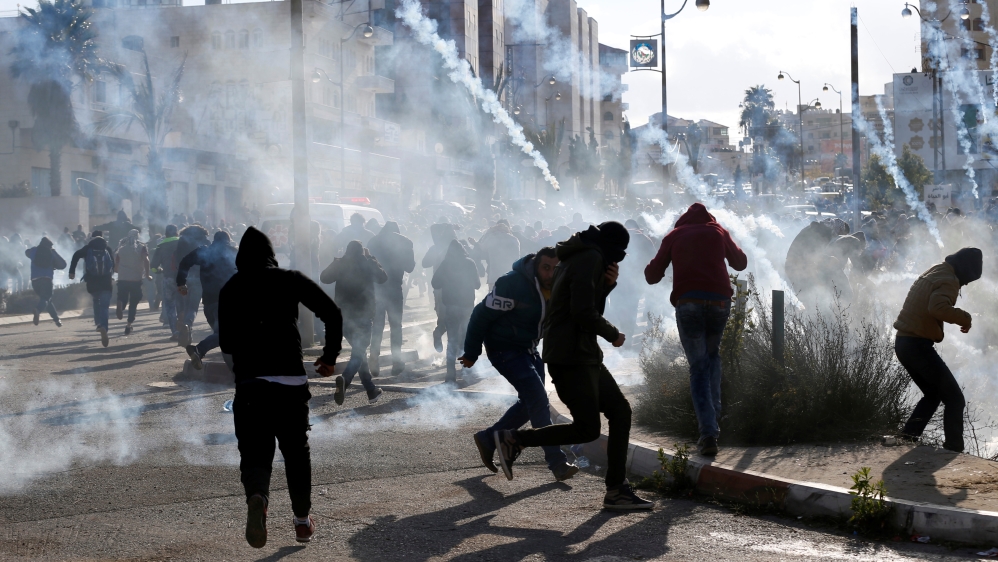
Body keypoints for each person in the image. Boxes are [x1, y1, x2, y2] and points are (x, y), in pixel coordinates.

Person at [492, 222, 653, 511]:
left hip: (579, 352)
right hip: (572, 355)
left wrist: (606, 285)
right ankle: (514, 438)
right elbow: (583, 312)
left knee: (619, 411)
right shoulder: (590, 257)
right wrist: (612, 333)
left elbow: (583, 304)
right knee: (587, 429)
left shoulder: (578, 255)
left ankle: (617, 489)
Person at [219, 226, 343, 548]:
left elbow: (227, 344)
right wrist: (329, 357)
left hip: (251, 383)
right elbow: (332, 312)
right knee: (295, 453)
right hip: (290, 380)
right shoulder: (290, 278)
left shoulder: (230, 288)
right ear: (271, 255)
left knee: (255, 451)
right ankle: (302, 523)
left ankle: (258, 496)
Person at [461, 246, 578, 481]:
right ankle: (557, 463)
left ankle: (487, 438)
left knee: (530, 403)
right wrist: (471, 353)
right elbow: (480, 315)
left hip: (530, 349)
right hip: (504, 349)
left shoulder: (560, 285)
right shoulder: (512, 284)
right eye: (546, 268)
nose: (550, 274)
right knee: (539, 401)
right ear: (536, 265)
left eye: (555, 269)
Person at [644, 203, 747, 457]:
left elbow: (652, 275)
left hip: (688, 302)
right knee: (713, 357)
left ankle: (708, 432)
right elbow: (741, 263)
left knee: (699, 366)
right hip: (720, 302)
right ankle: (714, 418)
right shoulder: (718, 231)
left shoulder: (674, 235)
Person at [893, 247, 982, 453]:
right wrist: (965, 318)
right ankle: (954, 450)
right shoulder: (950, 279)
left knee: (933, 395)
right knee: (955, 399)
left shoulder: (938, 269)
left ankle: (908, 437)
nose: (965, 284)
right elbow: (937, 308)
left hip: (904, 343)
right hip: (916, 345)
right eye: (967, 280)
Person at [320, 240, 387, 405]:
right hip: (363, 316)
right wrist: (370, 257)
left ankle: (371, 390)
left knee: (360, 352)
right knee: (359, 352)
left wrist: (338, 260)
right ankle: (345, 379)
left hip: (343, 316)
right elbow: (383, 277)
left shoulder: (341, 263)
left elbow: (324, 277)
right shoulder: (367, 263)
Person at [178, 230, 238, 369]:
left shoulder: (205, 252)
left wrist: (181, 282)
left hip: (208, 304)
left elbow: (184, 262)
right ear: (228, 240)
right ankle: (198, 350)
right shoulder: (233, 252)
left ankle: (234, 370)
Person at [367, 221, 415, 376]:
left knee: (377, 325)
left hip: (376, 288)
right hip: (394, 288)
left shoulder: (373, 241)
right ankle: (396, 361)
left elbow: (366, 265)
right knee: (396, 325)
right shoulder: (405, 241)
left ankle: (374, 358)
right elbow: (410, 267)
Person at [431, 239, 481, 383]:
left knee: (452, 340)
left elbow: (435, 283)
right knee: (466, 340)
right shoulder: (470, 262)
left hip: (451, 306)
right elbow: (477, 285)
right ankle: (466, 372)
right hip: (466, 306)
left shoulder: (446, 264)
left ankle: (450, 375)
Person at [69, 231, 116, 347]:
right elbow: (113, 265)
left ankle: (98, 322)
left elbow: (75, 255)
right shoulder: (107, 248)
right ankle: (104, 326)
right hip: (106, 282)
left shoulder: (88, 248)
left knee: (96, 300)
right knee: (104, 306)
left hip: (92, 283)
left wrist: (72, 271)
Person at [422, 223, 458, 353]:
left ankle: (440, 332)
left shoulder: (436, 247)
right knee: (456, 317)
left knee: (444, 315)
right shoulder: (458, 247)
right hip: (455, 289)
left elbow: (425, 263)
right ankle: (450, 346)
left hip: (440, 288)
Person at [174, 224, 209, 347]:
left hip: (184, 277)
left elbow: (178, 258)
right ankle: (188, 325)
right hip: (199, 278)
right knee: (193, 307)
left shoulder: (182, 241)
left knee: (184, 304)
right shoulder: (205, 240)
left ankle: (184, 330)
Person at [114, 229, 150, 335]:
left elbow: (116, 265)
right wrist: (147, 274)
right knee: (134, 303)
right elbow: (146, 260)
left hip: (122, 279)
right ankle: (129, 324)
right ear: (137, 236)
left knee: (122, 297)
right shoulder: (141, 247)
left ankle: (120, 304)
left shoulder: (121, 248)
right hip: (136, 279)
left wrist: (118, 271)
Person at [25, 236, 67, 327]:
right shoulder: (51, 252)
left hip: (35, 281)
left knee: (47, 300)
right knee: (46, 299)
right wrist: (54, 263)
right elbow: (63, 264)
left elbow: (26, 252)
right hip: (46, 279)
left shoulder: (34, 251)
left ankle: (56, 320)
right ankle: (38, 310)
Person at [473, 220, 520, 288]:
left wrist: (475, 243)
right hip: (511, 275)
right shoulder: (514, 239)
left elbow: (482, 248)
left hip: (494, 275)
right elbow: (517, 257)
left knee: (494, 295)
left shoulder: (491, 238)